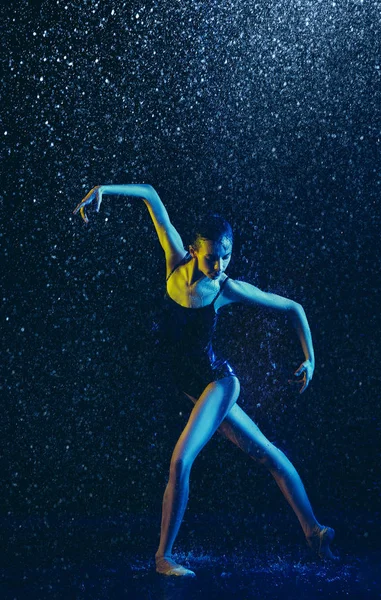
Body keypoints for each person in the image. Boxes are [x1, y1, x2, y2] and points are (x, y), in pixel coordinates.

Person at [73, 184, 337, 577]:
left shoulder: (225, 288)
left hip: (220, 384)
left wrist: (310, 359)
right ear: (195, 251)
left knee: (180, 460)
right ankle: (314, 531)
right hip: (193, 389)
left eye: (227, 257)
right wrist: (102, 190)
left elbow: (292, 307)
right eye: (214, 258)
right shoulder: (175, 262)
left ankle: (163, 557)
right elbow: (149, 194)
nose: (221, 266)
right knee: (264, 452)